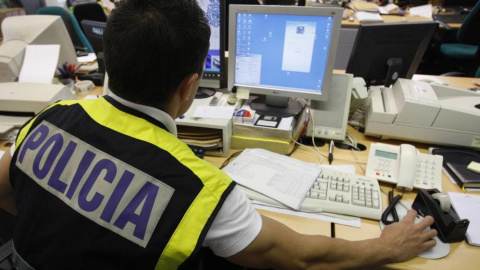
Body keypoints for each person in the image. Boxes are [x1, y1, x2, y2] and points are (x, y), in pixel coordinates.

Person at [0, 0, 437, 269]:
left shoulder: (51, 116)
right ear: (191, 86)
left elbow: (6, 190)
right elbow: (304, 257)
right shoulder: (199, 190)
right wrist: (386, 247)